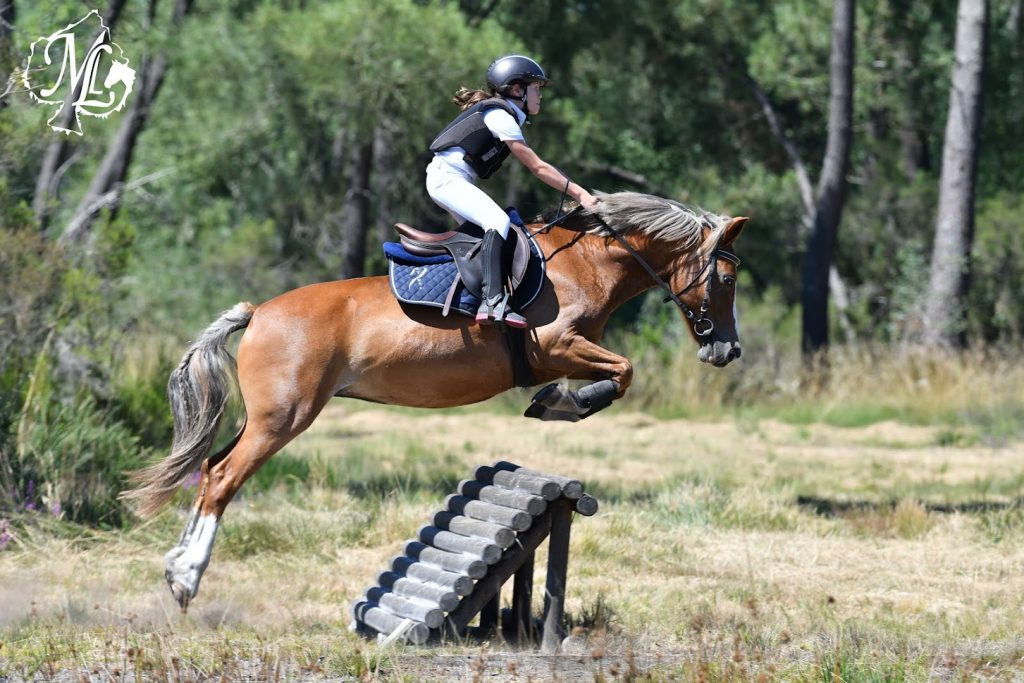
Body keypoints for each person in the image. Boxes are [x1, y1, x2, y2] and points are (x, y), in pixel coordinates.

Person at [426, 54, 599, 328]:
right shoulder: (499, 115)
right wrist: (580, 194)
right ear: (517, 90)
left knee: (491, 236)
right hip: (447, 180)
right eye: (536, 88)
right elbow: (538, 167)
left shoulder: (504, 114)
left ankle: (476, 298)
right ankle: (492, 302)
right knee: (498, 222)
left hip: (449, 179)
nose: (540, 95)